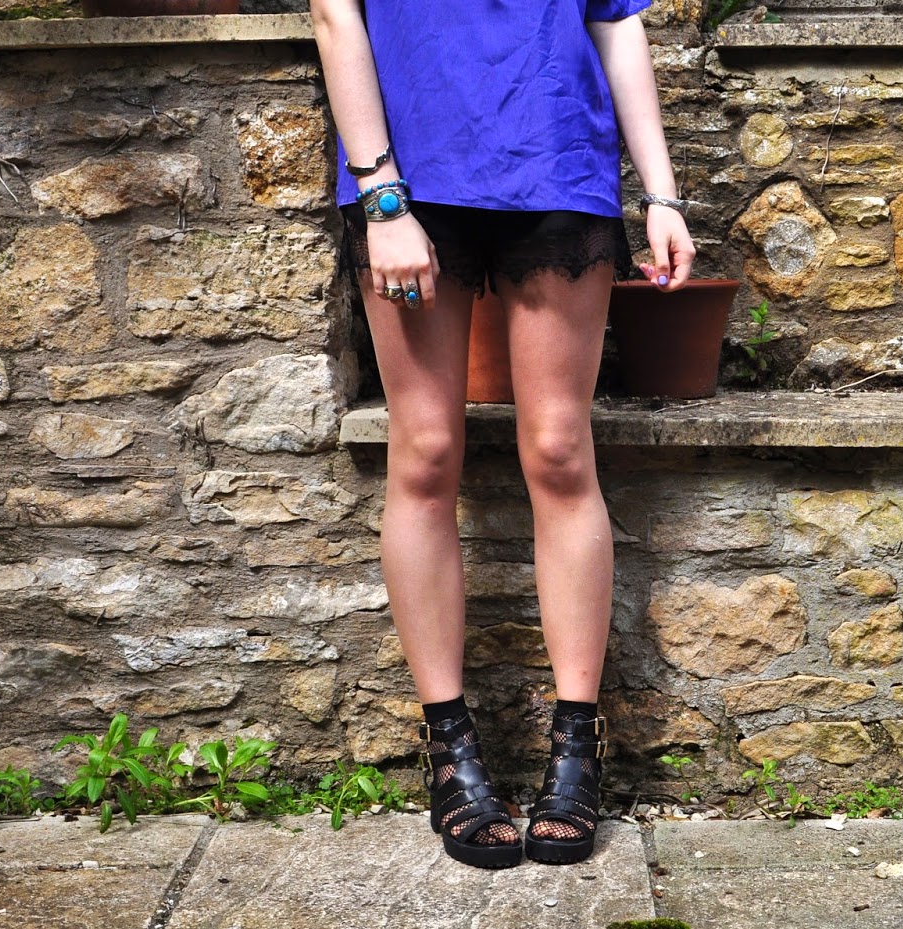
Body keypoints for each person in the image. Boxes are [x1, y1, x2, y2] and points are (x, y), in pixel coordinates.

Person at [311, 0, 695, 869]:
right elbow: (335, 15)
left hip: (556, 155)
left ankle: (578, 744)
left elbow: (617, 21)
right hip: (406, 176)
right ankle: (450, 746)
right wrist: (380, 194)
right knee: (424, 451)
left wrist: (662, 195)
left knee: (559, 448)